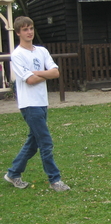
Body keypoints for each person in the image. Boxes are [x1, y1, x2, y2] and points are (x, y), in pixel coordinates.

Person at [4, 16, 70, 192]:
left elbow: (56, 72)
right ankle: (55, 180)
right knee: (45, 142)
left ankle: (13, 173)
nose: (29, 32)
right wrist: (43, 74)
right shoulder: (17, 55)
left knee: (33, 142)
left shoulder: (41, 51)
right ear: (18, 32)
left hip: (42, 102)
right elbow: (30, 80)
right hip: (29, 105)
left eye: (31, 28)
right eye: (25, 29)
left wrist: (38, 72)